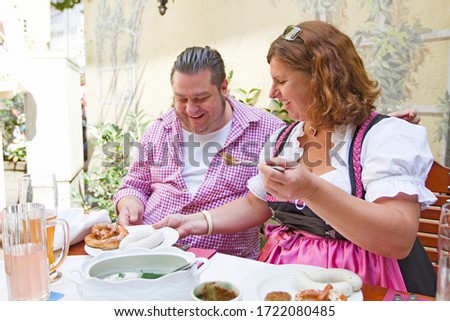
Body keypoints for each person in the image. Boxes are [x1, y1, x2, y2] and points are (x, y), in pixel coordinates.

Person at [153, 21, 437, 296]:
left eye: (281, 81)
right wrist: (196, 221)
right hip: (284, 281)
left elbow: (398, 239)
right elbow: (256, 204)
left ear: (322, 80)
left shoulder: (384, 136)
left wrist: (310, 189)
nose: (272, 93)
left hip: (365, 281)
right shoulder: (285, 137)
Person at [114, 46, 286, 259]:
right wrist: (130, 204)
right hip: (153, 256)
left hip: (225, 264)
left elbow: (266, 204)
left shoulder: (267, 130)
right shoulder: (159, 129)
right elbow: (134, 185)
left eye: (201, 98)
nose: (190, 110)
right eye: (182, 99)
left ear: (224, 88)